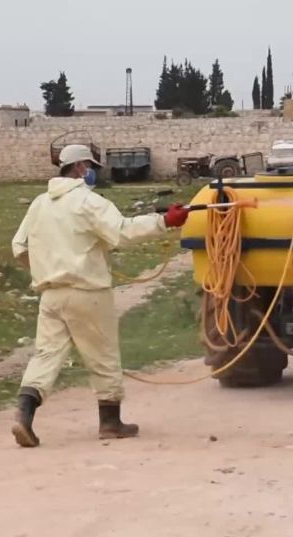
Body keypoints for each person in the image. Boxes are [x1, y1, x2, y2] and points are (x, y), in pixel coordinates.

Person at [10, 144, 190, 448]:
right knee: (103, 355)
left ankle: (23, 415)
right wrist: (164, 222)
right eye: (90, 166)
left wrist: (47, 269)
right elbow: (122, 232)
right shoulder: (88, 201)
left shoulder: (39, 204)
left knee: (46, 355)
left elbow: (20, 247)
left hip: (50, 294)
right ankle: (110, 422)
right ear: (80, 167)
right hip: (87, 292)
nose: (92, 172)